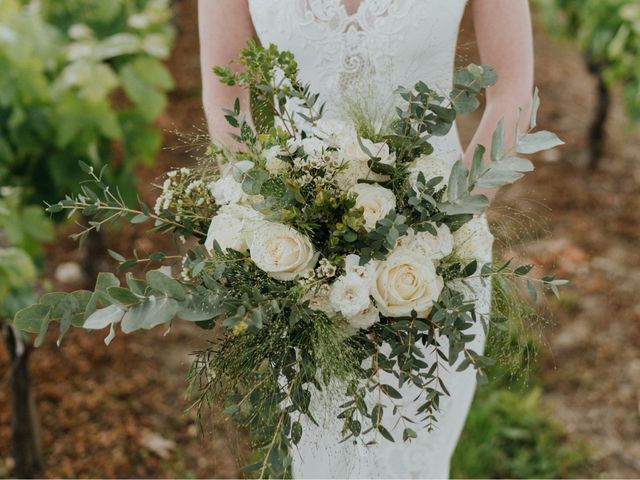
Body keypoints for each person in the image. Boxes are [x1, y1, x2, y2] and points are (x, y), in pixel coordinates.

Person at [199, 1, 534, 478]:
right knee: (321, 456)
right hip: (299, 262)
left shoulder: (439, 239)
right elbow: (226, 93)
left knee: (412, 452)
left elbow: (511, 94)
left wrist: (443, 219)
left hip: (434, 254)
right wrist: (269, 216)